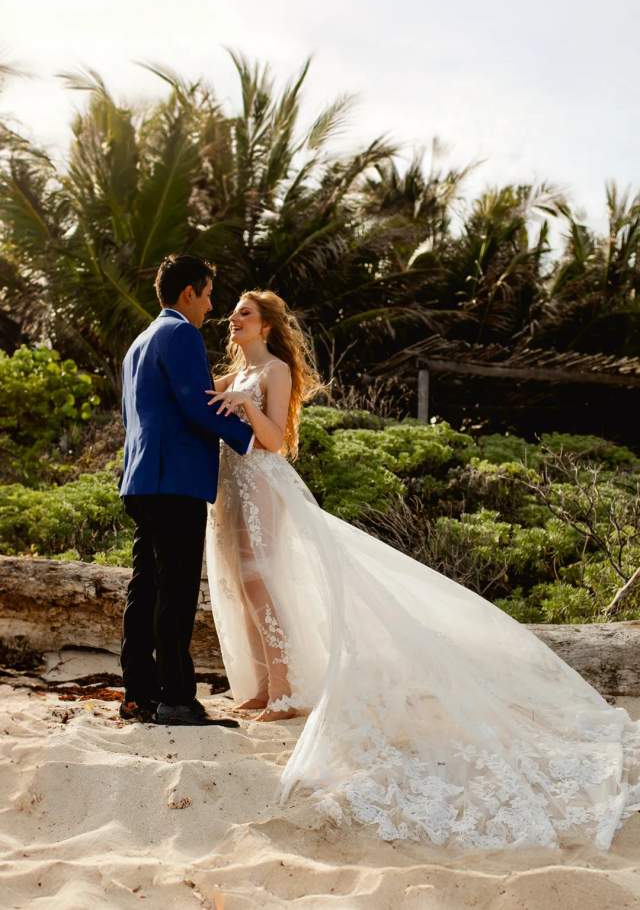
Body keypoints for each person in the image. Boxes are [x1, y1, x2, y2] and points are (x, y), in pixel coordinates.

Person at [205, 288, 640, 850]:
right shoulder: (235, 370)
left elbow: (277, 443)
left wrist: (245, 407)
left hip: (263, 482)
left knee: (266, 581)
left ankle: (287, 693)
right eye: (234, 314)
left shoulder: (275, 371)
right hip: (229, 484)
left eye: (244, 314)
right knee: (243, 586)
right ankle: (262, 688)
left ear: (266, 325)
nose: (233, 321)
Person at [119, 253, 253, 726]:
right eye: (208, 294)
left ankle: (139, 694)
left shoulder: (140, 341)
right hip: (174, 480)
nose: (212, 305)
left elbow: (136, 414)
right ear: (188, 293)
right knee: (174, 591)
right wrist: (250, 438)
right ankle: (177, 698)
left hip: (141, 478)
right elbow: (197, 407)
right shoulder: (180, 333)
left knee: (147, 588)